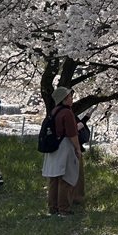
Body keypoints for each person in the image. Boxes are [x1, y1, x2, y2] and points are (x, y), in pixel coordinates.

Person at [41, 87, 81, 216]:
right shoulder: (67, 113)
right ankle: (64, 210)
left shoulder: (54, 111)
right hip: (65, 146)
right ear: (64, 99)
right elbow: (72, 133)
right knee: (66, 178)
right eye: (70, 96)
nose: (72, 99)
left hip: (54, 146)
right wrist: (78, 148)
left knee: (54, 179)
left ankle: (52, 208)